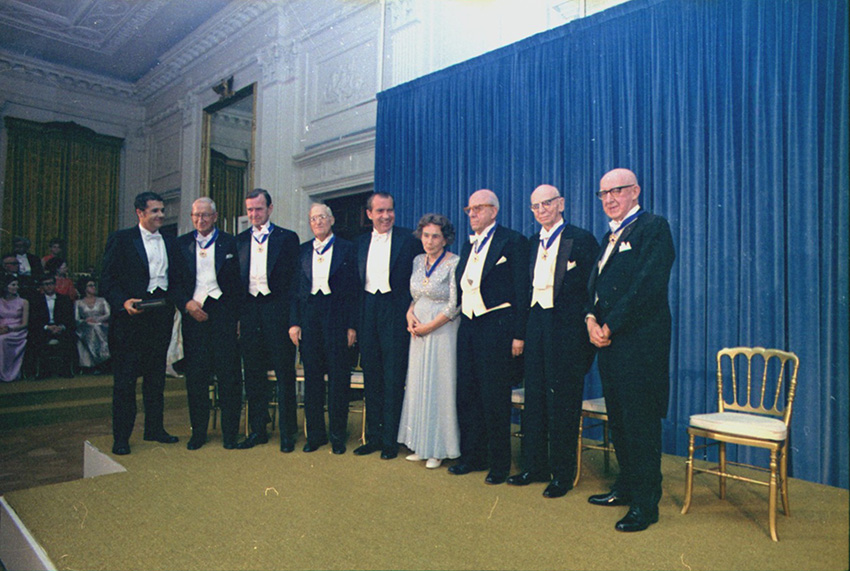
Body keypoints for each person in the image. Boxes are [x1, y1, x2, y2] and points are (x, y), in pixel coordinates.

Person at [585, 168, 675, 532]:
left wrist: (610, 325)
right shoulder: (609, 235)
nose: (609, 198)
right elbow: (595, 286)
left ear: (635, 191)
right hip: (609, 343)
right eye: (603, 193)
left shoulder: (653, 228)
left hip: (639, 344)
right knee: (619, 420)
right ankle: (625, 486)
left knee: (640, 423)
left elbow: (646, 287)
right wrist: (590, 319)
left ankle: (645, 503)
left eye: (617, 191)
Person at [506, 185, 598, 497]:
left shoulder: (582, 238)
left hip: (567, 330)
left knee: (563, 403)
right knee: (534, 400)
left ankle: (562, 474)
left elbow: (591, 289)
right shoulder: (532, 242)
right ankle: (534, 466)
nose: (542, 210)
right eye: (535, 206)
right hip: (536, 326)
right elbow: (523, 291)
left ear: (560, 203)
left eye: (547, 203)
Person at [100, 191, 191, 455]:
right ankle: (121, 438)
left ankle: (154, 429)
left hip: (159, 318)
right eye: (155, 211)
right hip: (129, 321)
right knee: (126, 382)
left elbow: (175, 281)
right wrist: (123, 301)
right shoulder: (121, 239)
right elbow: (107, 279)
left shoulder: (171, 243)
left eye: (162, 210)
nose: (161, 215)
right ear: (140, 213)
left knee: (155, 379)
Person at [450, 189, 529, 484]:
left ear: (494, 211)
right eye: (469, 209)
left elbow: (523, 290)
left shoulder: (513, 241)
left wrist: (519, 334)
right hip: (469, 326)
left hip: (498, 327)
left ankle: (499, 465)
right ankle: (472, 457)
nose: (472, 214)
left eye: (478, 209)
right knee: (468, 394)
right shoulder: (469, 246)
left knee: (494, 398)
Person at [353, 192, 422, 459]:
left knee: (394, 377)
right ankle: (373, 437)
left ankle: (391, 440)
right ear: (369, 214)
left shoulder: (409, 240)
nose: (386, 216)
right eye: (380, 211)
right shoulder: (358, 243)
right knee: (372, 377)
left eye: (390, 210)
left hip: (396, 312)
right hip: (368, 311)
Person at [289, 203, 358, 455]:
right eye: (312, 219)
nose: (317, 222)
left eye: (321, 217)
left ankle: (338, 435)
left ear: (331, 220)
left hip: (337, 317)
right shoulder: (302, 251)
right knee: (313, 380)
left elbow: (354, 291)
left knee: (339, 379)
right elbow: (295, 290)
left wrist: (352, 325)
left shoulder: (347, 249)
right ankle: (315, 435)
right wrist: (294, 322)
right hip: (310, 318)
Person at [236, 188, 300, 452]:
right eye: (250, 209)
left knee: (285, 374)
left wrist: (292, 320)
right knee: (253, 374)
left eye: (259, 209)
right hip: (250, 312)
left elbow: (296, 282)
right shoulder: (238, 240)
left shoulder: (287, 238)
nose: (254, 214)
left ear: (270, 209)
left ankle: (288, 433)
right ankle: (257, 430)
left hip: (278, 312)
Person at [177, 198, 243, 450]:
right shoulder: (181, 244)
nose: (200, 220)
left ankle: (229, 434)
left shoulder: (230, 243)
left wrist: (237, 318)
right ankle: (199, 433)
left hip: (223, 315)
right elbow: (175, 283)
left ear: (215, 216)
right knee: (196, 377)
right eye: (196, 216)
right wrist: (187, 304)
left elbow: (239, 284)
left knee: (229, 377)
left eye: (205, 215)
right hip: (194, 316)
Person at [397, 213, 461, 469]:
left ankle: (438, 448)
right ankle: (420, 445)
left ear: (445, 239)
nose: (430, 241)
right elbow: (415, 296)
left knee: (439, 385)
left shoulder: (454, 262)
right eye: (426, 235)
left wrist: (429, 327)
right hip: (418, 331)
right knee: (418, 384)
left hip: (442, 330)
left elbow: (455, 304)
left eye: (435, 236)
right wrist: (410, 315)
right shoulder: (417, 260)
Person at [28, 275, 75, 378]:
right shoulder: (35, 300)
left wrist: (61, 327)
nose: (49, 287)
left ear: (55, 285)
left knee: (69, 338)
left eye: (51, 284)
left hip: (60, 328)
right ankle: (42, 372)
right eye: (46, 284)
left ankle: (66, 370)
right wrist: (46, 327)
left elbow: (69, 319)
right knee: (37, 338)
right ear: (42, 287)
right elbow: (34, 320)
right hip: (44, 329)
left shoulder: (65, 299)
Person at [74, 277, 110, 372]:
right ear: (84, 288)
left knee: (96, 327)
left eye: (94, 285)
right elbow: (76, 319)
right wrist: (86, 320)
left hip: (101, 324)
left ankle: (101, 359)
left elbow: (108, 314)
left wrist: (96, 319)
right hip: (85, 327)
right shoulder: (78, 302)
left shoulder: (102, 300)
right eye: (90, 285)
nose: (93, 287)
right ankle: (101, 359)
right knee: (93, 327)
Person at [0, 275, 29, 382]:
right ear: (5, 287)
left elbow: (25, 323)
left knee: (2, 340)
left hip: (17, 331)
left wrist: (10, 328)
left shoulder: (23, 302)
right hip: (2, 329)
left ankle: (6, 374)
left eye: (17, 285)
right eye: (13, 285)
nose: (16, 287)